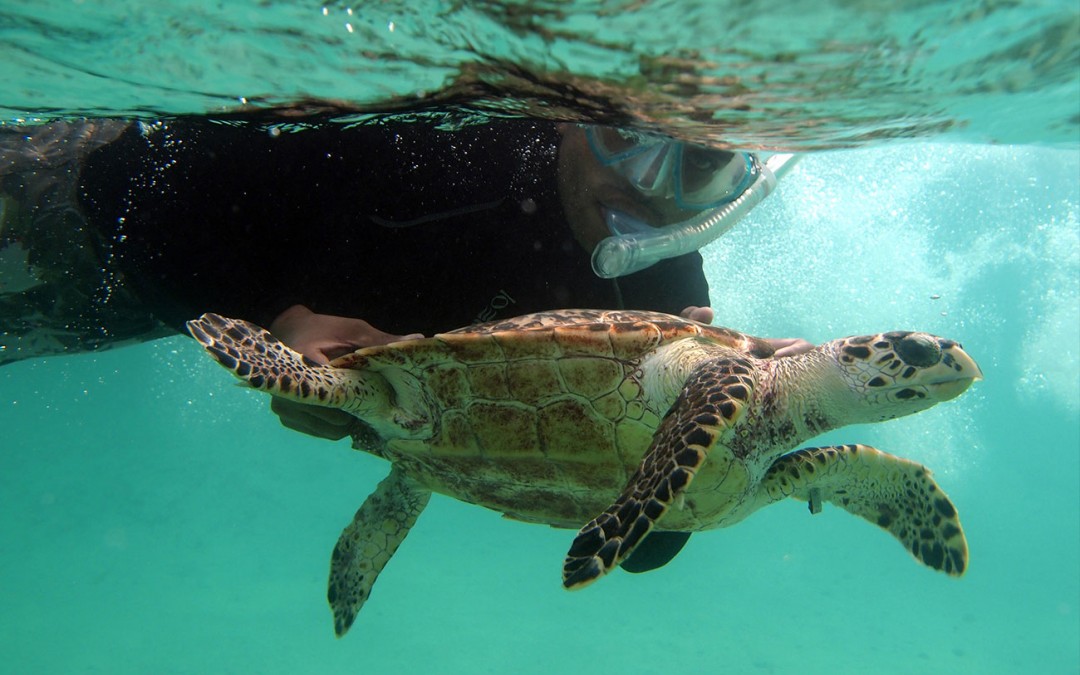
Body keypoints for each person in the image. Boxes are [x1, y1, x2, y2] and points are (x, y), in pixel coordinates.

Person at [0, 114, 809, 438]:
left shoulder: (663, 276)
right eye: (627, 133)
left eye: (698, 163)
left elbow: (650, 543)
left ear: (740, 177)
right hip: (57, 197)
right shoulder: (452, 135)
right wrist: (279, 316)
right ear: (578, 104)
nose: (642, 182)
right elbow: (141, 181)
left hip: (101, 311)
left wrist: (729, 420)